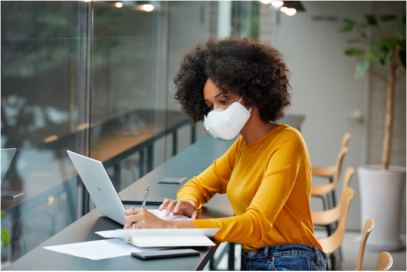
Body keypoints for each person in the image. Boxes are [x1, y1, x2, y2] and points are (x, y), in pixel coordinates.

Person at [123, 37, 327, 271]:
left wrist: (166, 227)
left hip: (293, 259)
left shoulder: (288, 142)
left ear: (251, 94)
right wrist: (189, 202)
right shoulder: (242, 147)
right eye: (210, 106)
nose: (216, 112)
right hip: (257, 259)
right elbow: (198, 185)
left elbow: (256, 225)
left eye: (224, 100)